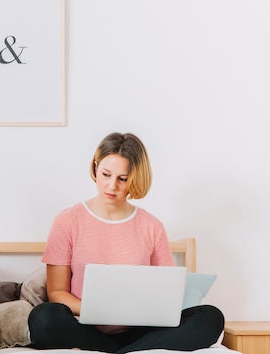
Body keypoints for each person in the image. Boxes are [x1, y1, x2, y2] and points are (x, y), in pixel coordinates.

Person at [27, 132, 224, 354]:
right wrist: (98, 310)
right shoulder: (67, 221)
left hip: (141, 329)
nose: (112, 186)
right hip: (85, 327)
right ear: (95, 167)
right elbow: (56, 292)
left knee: (211, 317)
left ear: (136, 178)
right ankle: (132, 351)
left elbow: (166, 292)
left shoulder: (152, 226)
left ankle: (120, 351)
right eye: (106, 174)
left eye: (122, 179)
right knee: (43, 318)